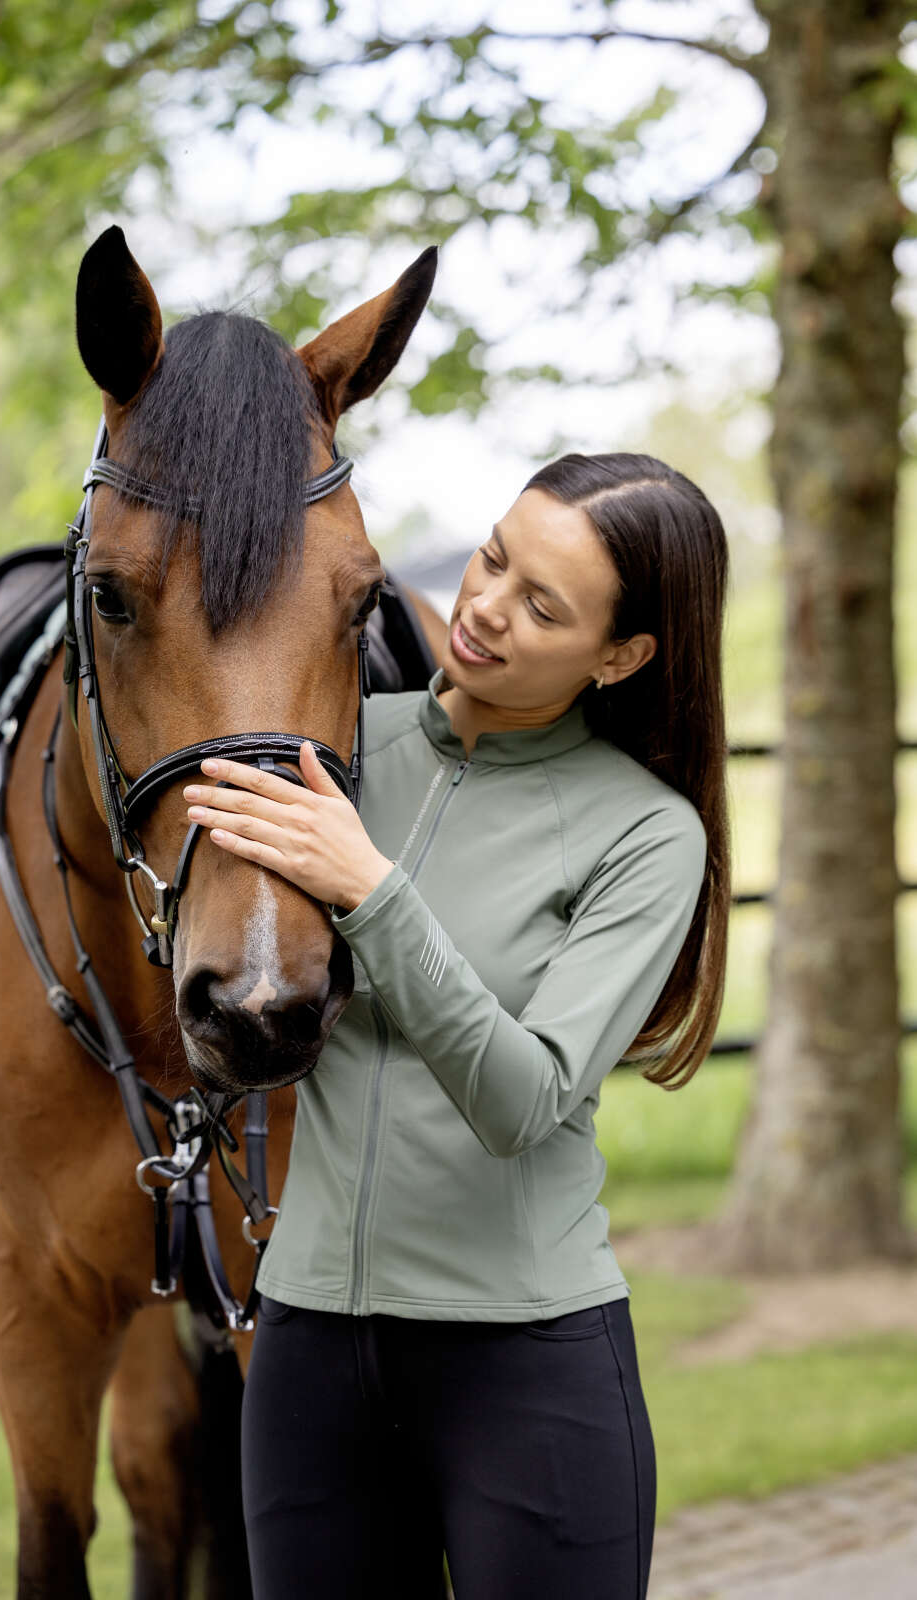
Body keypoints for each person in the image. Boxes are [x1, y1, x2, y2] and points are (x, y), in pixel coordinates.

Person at [183, 450, 730, 1600]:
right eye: (492, 558)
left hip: (523, 1368)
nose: (483, 608)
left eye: (542, 605)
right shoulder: (327, 756)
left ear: (622, 656)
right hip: (306, 1350)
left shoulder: (644, 835)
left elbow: (524, 1098)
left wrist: (371, 891)